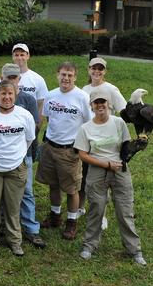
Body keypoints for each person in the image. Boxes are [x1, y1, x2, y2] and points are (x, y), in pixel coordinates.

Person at [74, 87, 147, 266]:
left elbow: (125, 147)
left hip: (120, 170)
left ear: (109, 105)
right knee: (96, 209)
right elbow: (82, 154)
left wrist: (136, 146)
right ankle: (89, 246)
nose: (100, 105)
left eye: (103, 102)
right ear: (91, 106)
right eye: (96, 102)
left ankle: (134, 250)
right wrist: (106, 164)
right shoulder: (85, 128)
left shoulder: (118, 123)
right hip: (97, 171)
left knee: (125, 210)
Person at [0, 64, 45, 248]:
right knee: (0, 195)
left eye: (14, 78)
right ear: (1, 78)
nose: (11, 81)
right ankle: (2, 227)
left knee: (26, 193)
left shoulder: (28, 100)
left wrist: (25, 152)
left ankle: (30, 229)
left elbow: (33, 129)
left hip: (22, 156)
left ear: (19, 79)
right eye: (7, 78)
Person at [0, 81, 36, 256]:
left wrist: (15, 155)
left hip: (16, 168)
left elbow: (29, 139)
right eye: (3, 94)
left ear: (15, 94)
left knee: (13, 206)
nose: (7, 97)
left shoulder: (25, 116)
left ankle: (15, 241)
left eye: (10, 93)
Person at [37, 62, 92, 240]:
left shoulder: (82, 97)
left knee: (71, 189)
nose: (66, 78)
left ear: (75, 77)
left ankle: (71, 222)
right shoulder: (51, 95)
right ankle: (55, 217)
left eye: (70, 75)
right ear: (57, 75)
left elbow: (89, 124)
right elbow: (47, 119)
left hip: (70, 151)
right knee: (53, 184)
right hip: (50, 147)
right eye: (63, 74)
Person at [79, 57, 127, 227]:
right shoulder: (84, 89)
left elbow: (124, 111)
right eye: (94, 68)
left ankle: (103, 215)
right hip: (88, 138)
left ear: (105, 71)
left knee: (103, 179)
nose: (97, 72)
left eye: (100, 69)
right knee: (84, 175)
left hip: (106, 142)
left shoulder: (111, 89)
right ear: (88, 69)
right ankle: (80, 207)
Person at [11, 43, 49, 115]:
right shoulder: (6, 78)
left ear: (28, 56)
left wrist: (37, 124)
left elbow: (41, 103)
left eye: (22, 55)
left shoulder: (38, 79)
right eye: (16, 55)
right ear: (12, 57)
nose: (19, 58)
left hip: (30, 121)